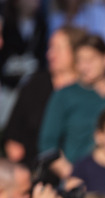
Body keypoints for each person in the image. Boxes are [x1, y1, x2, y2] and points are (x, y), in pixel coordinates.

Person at [38, 33, 105, 167]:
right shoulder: (65, 95)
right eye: (80, 61)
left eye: (91, 60)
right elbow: (48, 144)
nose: (84, 67)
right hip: (79, 174)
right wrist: (70, 174)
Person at [2, 25, 85, 166]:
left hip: (78, 167)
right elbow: (13, 138)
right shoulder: (36, 83)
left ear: (76, 51)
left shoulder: (86, 88)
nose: (50, 54)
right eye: (50, 48)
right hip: (34, 167)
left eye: (58, 49)